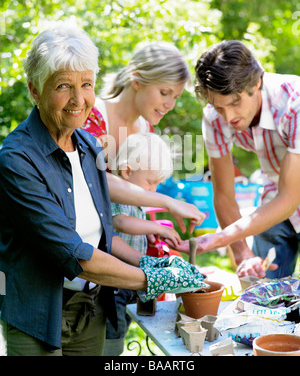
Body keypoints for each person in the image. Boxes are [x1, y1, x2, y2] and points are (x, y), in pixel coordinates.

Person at [0, 24, 208, 356]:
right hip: (37, 314)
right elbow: (74, 254)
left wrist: (149, 263)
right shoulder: (17, 160)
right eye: (63, 86)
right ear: (35, 91)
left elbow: (104, 235)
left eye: (86, 85)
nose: (78, 99)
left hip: (91, 309)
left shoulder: (89, 145)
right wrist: (149, 280)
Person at [179, 40, 300, 279]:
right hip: (277, 196)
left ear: (256, 82)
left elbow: (290, 197)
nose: (228, 116)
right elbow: (224, 195)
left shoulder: (293, 104)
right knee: (262, 294)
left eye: (235, 103)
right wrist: (242, 252)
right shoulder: (215, 118)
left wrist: (222, 237)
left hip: (287, 194)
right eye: (219, 107)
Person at [104, 132, 182, 355]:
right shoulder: (116, 194)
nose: (154, 190)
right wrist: (157, 228)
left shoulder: (136, 198)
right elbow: (121, 222)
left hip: (131, 279)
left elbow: (136, 222)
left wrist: (147, 234)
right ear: (127, 171)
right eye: (151, 182)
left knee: (125, 322)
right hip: (114, 282)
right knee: (113, 329)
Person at [82, 40, 191, 170]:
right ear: (137, 81)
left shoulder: (146, 131)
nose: (170, 105)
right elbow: (90, 176)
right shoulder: (93, 116)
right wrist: (144, 192)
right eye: (164, 93)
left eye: (175, 97)